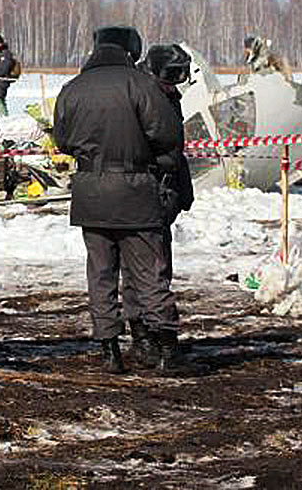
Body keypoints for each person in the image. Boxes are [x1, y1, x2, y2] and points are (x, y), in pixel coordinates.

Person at [53, 26, 192, 376]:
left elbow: (63, 141)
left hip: (90, 193)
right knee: (148, 272)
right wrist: (150, 167)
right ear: (131, 51)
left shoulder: (71, 90)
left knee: (100, 275)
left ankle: (109, 349)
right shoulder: (142, 86)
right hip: (136, 193)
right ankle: (165, 349)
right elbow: (167, 137)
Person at [130, 43, 196, 370]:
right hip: (147, 191)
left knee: (150, 268)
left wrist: (183, 189)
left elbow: (176, 148)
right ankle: (156, 342)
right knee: (150, 270)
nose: (175, 83)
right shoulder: (141, 95)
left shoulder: (166, 95)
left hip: (164, 190)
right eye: (171, 76)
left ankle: (148, 338)